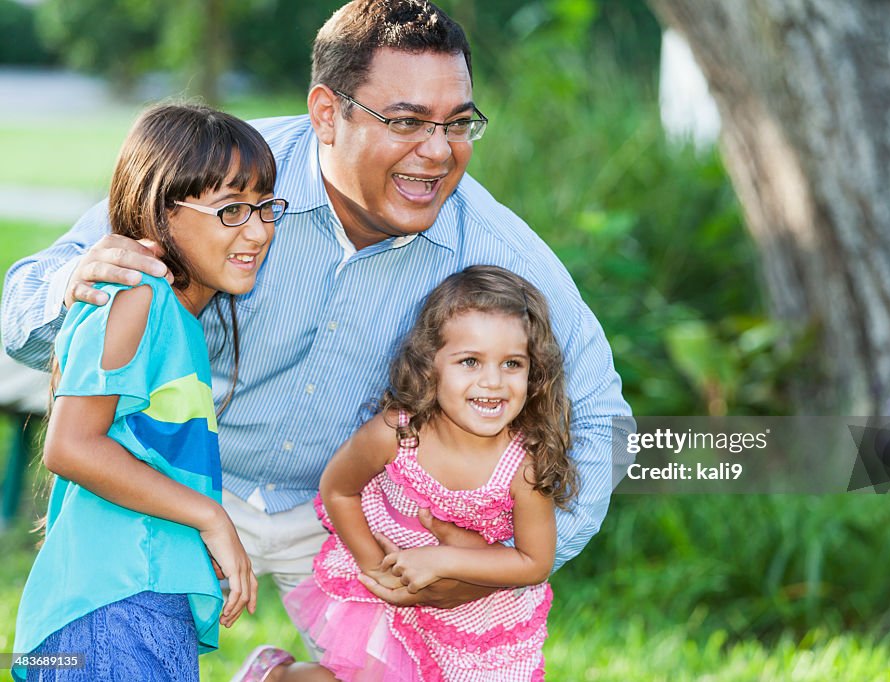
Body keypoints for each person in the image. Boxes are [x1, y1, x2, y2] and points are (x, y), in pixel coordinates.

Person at [2, 0, 632, 642]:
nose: (439, 152)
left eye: (459, 123)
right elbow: (21, 308)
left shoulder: (496, 247)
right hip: (182, 481)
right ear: (328, 113)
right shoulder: (222, 184)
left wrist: (507, 564)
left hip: (350, 505)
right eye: (408, 121)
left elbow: (602, 416)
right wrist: (70, 287)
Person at [11, 103, 285, 681]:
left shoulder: (178, 321)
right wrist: (210, 516)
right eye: (231, 209)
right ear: (161, 214)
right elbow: (71, 446)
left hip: (144, 603)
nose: (258, 231)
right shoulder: (140, 296)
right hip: (109, 609)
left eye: (264, 207)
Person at [244, 266, 577, 681]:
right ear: (429, 364)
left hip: (474, 612)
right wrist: (375, 569)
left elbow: (533, 562)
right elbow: (338, 490)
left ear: (535, 371)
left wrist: (440, 559)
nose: (492, 382)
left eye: (512, 363)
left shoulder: (524, 464)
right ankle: (275, 675)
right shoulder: (398, 433)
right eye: (470, 361)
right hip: (382, 590)